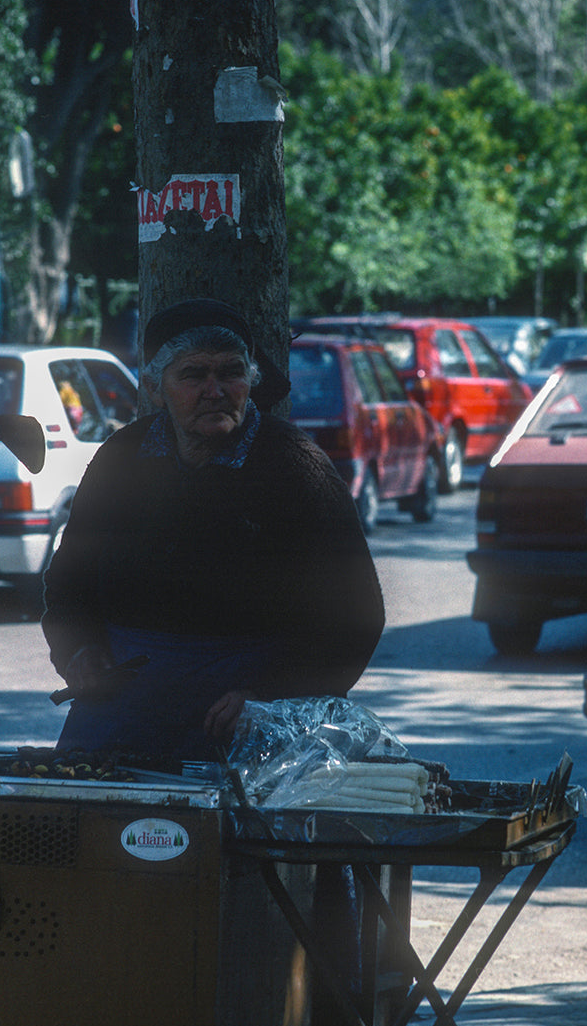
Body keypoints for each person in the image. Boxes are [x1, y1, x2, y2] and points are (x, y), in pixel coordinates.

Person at [42, 297, 385, 760]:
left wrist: (272, 694)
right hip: (124, 700)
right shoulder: (121, 458)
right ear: (156, 387)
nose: (214, 390)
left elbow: (356, 613)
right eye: (193, 374)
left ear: (250, 381)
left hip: (253, 710)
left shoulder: (294, 466)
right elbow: (69, 580)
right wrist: (77, 651)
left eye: (230, 373)